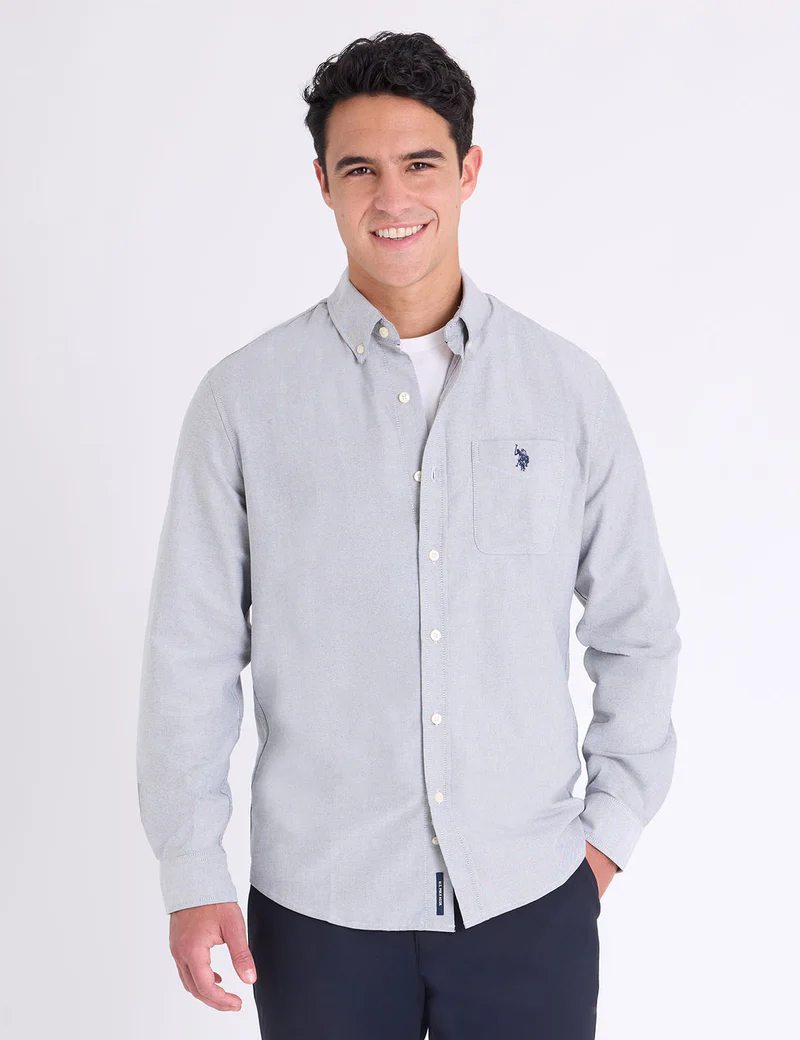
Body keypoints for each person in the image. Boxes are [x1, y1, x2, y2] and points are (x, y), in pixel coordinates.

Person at [136, 29, 681, 1040]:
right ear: (322, 184)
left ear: (467, 172)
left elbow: (636, 626)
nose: (392, 197)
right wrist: (191, 866)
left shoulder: (566, 391)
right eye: (360, 169)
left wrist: (603, 838)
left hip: (529, 895)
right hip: (319, 908)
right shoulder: (244, 401)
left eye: (420, 163)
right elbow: (191, 651)